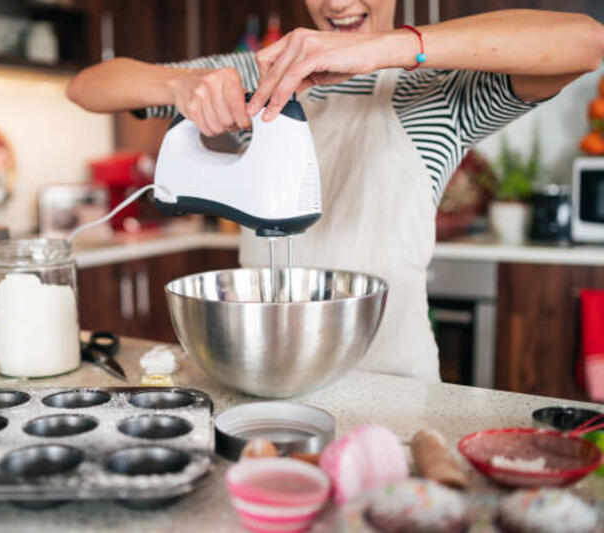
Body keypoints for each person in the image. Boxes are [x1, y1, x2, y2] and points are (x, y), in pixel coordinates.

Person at [66, 2, 604, 381]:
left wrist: (384, 49)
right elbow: (88, 86)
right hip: (263, 377)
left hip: (393, 385)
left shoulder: (441, 88)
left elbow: (586, 42)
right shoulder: (255, 73)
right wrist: (177, 86)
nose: (338, 2)